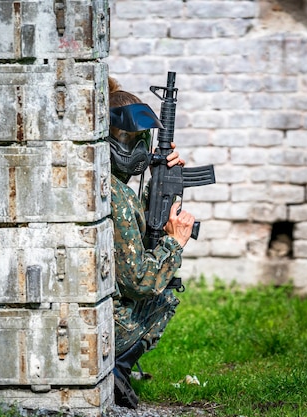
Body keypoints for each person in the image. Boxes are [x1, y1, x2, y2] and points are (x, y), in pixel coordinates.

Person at [107, 77, 196, 409]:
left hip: (98, 312)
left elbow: (133, 239)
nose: (141, 151)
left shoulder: (112, 188)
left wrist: (160, 183)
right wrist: (174, 244)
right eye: (132, 140)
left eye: (144, 141)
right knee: (164, 296)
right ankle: (118, 366)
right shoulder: (117, 198)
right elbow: (140, 281)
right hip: (106, 325)